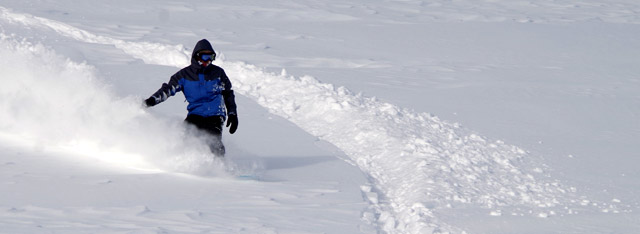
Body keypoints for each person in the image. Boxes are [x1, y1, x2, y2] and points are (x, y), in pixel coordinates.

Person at [144, 39, 238, 157]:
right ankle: (180, 163)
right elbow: (167, 90)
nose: (208, 61)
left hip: (215, 115)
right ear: (197, 56)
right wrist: (151, 100)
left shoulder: (218, 73)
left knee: (213, 141)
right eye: (205, 57)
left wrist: (232, 114)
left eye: (211, 57)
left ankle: (220, 167)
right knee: (184, 137)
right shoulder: (185, 75)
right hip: (195, 114)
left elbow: (228, 93)